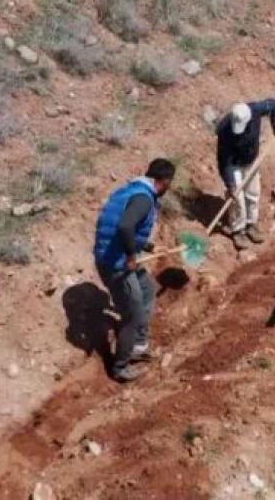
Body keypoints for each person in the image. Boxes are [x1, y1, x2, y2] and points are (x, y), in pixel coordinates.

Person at [93, 158, 175, 383]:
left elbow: (124, 226)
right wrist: (131, 256)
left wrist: (148, 246)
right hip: (115, 264)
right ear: (165, 181)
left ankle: (138, 345)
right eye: (169, 183)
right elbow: (124, 226)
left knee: (147, 288)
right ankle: (120, 367)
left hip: (113, 257)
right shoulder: (144, 199)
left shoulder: (134, 190)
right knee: (133, 314)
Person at [217, 99, 275, 250]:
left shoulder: (256, 110)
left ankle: (250, 225)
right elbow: (224, 160)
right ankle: (237, 230)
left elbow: (274, 104)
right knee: (236, 199)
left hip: (251, 160)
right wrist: (231, 185)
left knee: (253, 194)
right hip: (233, 164)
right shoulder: (224, 129)